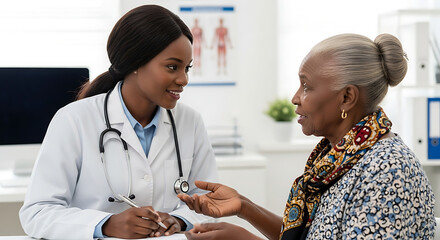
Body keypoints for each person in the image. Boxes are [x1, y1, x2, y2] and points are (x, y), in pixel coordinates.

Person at [178, 33, 436, 239]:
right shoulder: (338, 158)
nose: (295, 98)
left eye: (306, 86)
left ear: (347, 97)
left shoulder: (388, 171)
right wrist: (244, 206)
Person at [19, 5, 218, 239]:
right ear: (135, 63)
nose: (183, 79)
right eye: (172, 67)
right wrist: (105, 225)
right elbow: (37, 212)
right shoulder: (74, 120)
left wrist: (179, 220)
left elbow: (209, 203)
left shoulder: (190, 122)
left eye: (187, 68)